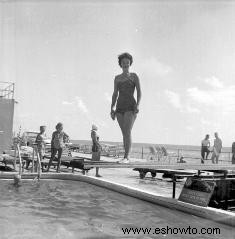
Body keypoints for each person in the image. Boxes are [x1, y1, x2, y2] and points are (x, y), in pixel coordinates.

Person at [110, 52, 141, 163]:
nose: (125, 64)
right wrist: (112, 108)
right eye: (123, 62)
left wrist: (137, 105)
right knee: (124, 132)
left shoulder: (134, 76)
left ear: (130, 63)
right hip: (119, 107)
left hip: (130, 107)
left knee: (127, 132)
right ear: (120, 64)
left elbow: (139, 92)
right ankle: (125, 156)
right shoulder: (117, 78)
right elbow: (115, 94)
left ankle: (126, 157)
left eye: (127, 62)